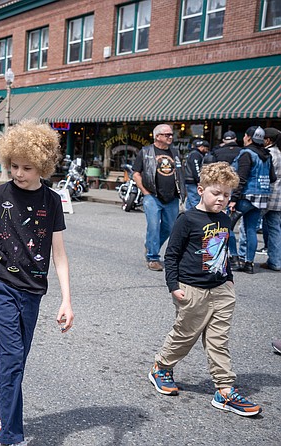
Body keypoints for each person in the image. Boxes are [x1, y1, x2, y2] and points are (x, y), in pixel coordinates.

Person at [0, 120, 73, 446]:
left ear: (42, 166)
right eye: (13, 165)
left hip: (33, 291)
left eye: (27, 167)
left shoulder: (52, 201)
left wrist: (66, 299)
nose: (18, 172)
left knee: (15, 359)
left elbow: (59, 254)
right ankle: (12, 437)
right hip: (0, 284)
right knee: (14, 357)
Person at [149, 162, 260, 417]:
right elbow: (173, 254)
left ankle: (224, 390)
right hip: (192, 290)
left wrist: (229, 278)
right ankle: (161, 367)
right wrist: (173, 286)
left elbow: (222, 250)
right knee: (184, 336)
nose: (221, 199)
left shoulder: (224, 218)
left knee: (218, 341)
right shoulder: (187, 219)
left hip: (221, 290)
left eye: (226, 195)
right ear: (200, 190)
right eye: (216, 193)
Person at [132, 124, 186, 271]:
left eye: (171, 134)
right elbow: (136, 173)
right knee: (154, 227)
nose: (170, 137)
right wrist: (144, 191)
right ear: (157, 136)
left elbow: (179, 173)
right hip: (153, 196)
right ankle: (153, 257)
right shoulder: (146, 152)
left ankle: (150, 246)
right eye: (167, 134)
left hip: (172, 197)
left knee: (169, 228)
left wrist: (182, 191)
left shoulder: (174, 152)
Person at [229, 126, 277, 274]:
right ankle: (249, 263)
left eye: (244, 135)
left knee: (226, 226)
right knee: (251, 230)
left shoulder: (246, 153)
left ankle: (235, 259)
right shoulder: (266, 155)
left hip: (245, 197)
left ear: (248, 137)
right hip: (261, 198)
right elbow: (273, 178)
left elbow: (241, 178)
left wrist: (233, 199)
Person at [260, 127, 281, 271]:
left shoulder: (270, 154)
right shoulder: (279, 153)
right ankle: (275, 261)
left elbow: (266, 176)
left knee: (248, 225)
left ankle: (244, 259)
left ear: (267, 140)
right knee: (275, 230)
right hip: (278, 198)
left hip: (267, 196)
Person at [184, 139, 210, 210]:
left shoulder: (191, 153)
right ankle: (194, 218)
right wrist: (199, 180)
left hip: (189, 181)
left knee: (190, 202)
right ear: (201, 147)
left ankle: (188, 217)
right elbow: (196, 168)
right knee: (195, 202)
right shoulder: (196, 154)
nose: (207, 150)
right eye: (206, 148)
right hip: (193, 181)